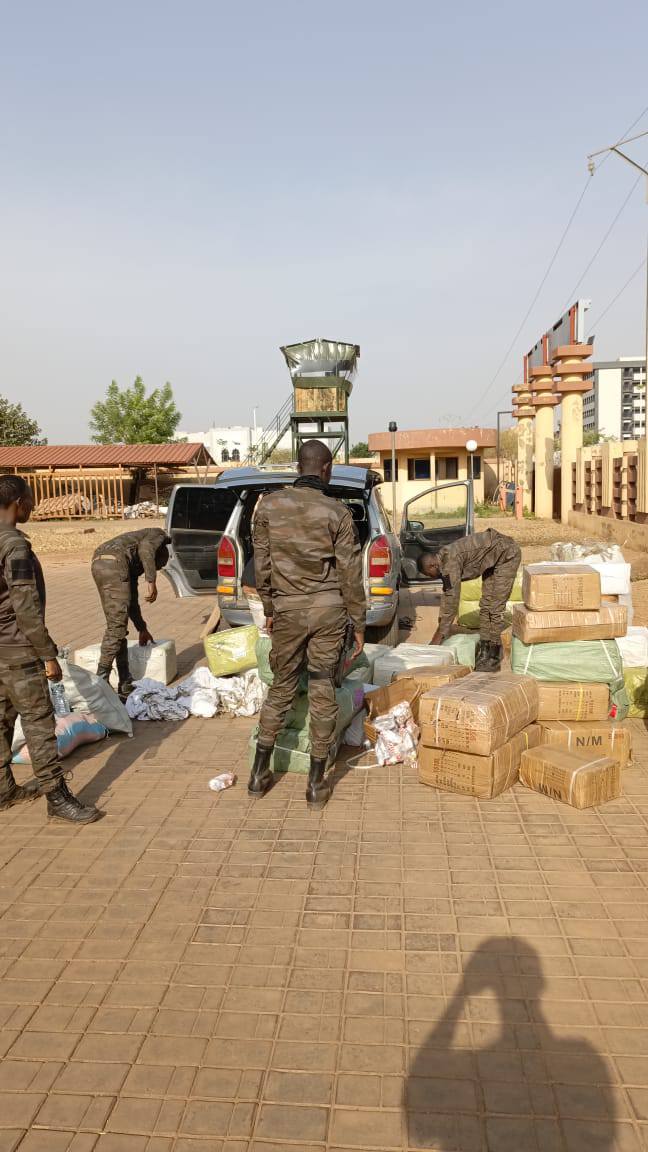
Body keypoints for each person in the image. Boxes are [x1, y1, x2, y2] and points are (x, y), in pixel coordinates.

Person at [248, 440, 365, 809]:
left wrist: (269, 605)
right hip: (329, 611)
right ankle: (316, 784)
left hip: (286, 610)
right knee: (322, 688)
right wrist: (358, 622)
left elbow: (261, 562)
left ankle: (257, 774)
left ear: (299, 468)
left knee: (281, 686)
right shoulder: (338, 513)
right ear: (326, 468)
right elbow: (350, 572)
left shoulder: (268, 506)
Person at [0, 476, 99, 823]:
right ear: (19, 503)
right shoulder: (14, 546)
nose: (33, 507)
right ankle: (56, 798)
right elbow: (25, 606)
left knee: (1, 721)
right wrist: (47, 654)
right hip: (18, 651)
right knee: (39, 724)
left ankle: (3, 790)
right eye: (30, 500)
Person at [420, 528, 521, 672]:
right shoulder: (442, 560)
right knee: (485, 606)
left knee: (495, 607)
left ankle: (494, 654)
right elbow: (446, 595)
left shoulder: (450, 563)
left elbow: (452, 600)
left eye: (428, 574)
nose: (431, 577)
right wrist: (440, 625)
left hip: (507, 555)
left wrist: (438, 637)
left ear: (432, 565)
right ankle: (485, 648)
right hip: (493, 558)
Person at [92, 527, 171, 698]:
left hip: (99, 560)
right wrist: (151, 581)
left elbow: (132, 603)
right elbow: (146, 549)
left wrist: (142, 628)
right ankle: (101, 683)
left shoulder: (131, 565)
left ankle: (125, 681)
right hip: (114, 563)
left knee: (118, 625)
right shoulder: (158, 535)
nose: (153, 568)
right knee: (116, 628)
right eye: (156, 566)